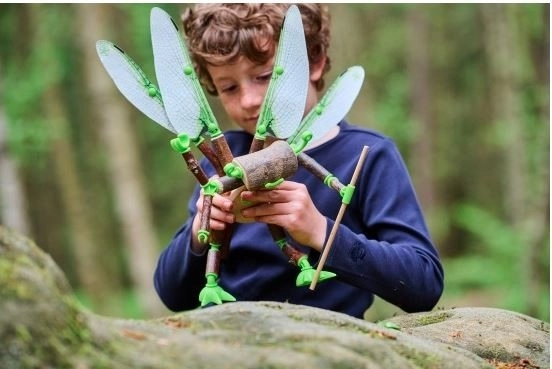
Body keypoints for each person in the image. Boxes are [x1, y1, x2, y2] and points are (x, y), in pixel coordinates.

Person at [154, 3, 444, 319]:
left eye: (265, 76)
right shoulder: (222, 158)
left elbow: (423, 283)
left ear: (315, 61)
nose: (249, 100)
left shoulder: (367, 154)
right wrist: (200, 231)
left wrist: (319, 230)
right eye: (229, 87)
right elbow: (172, 294)